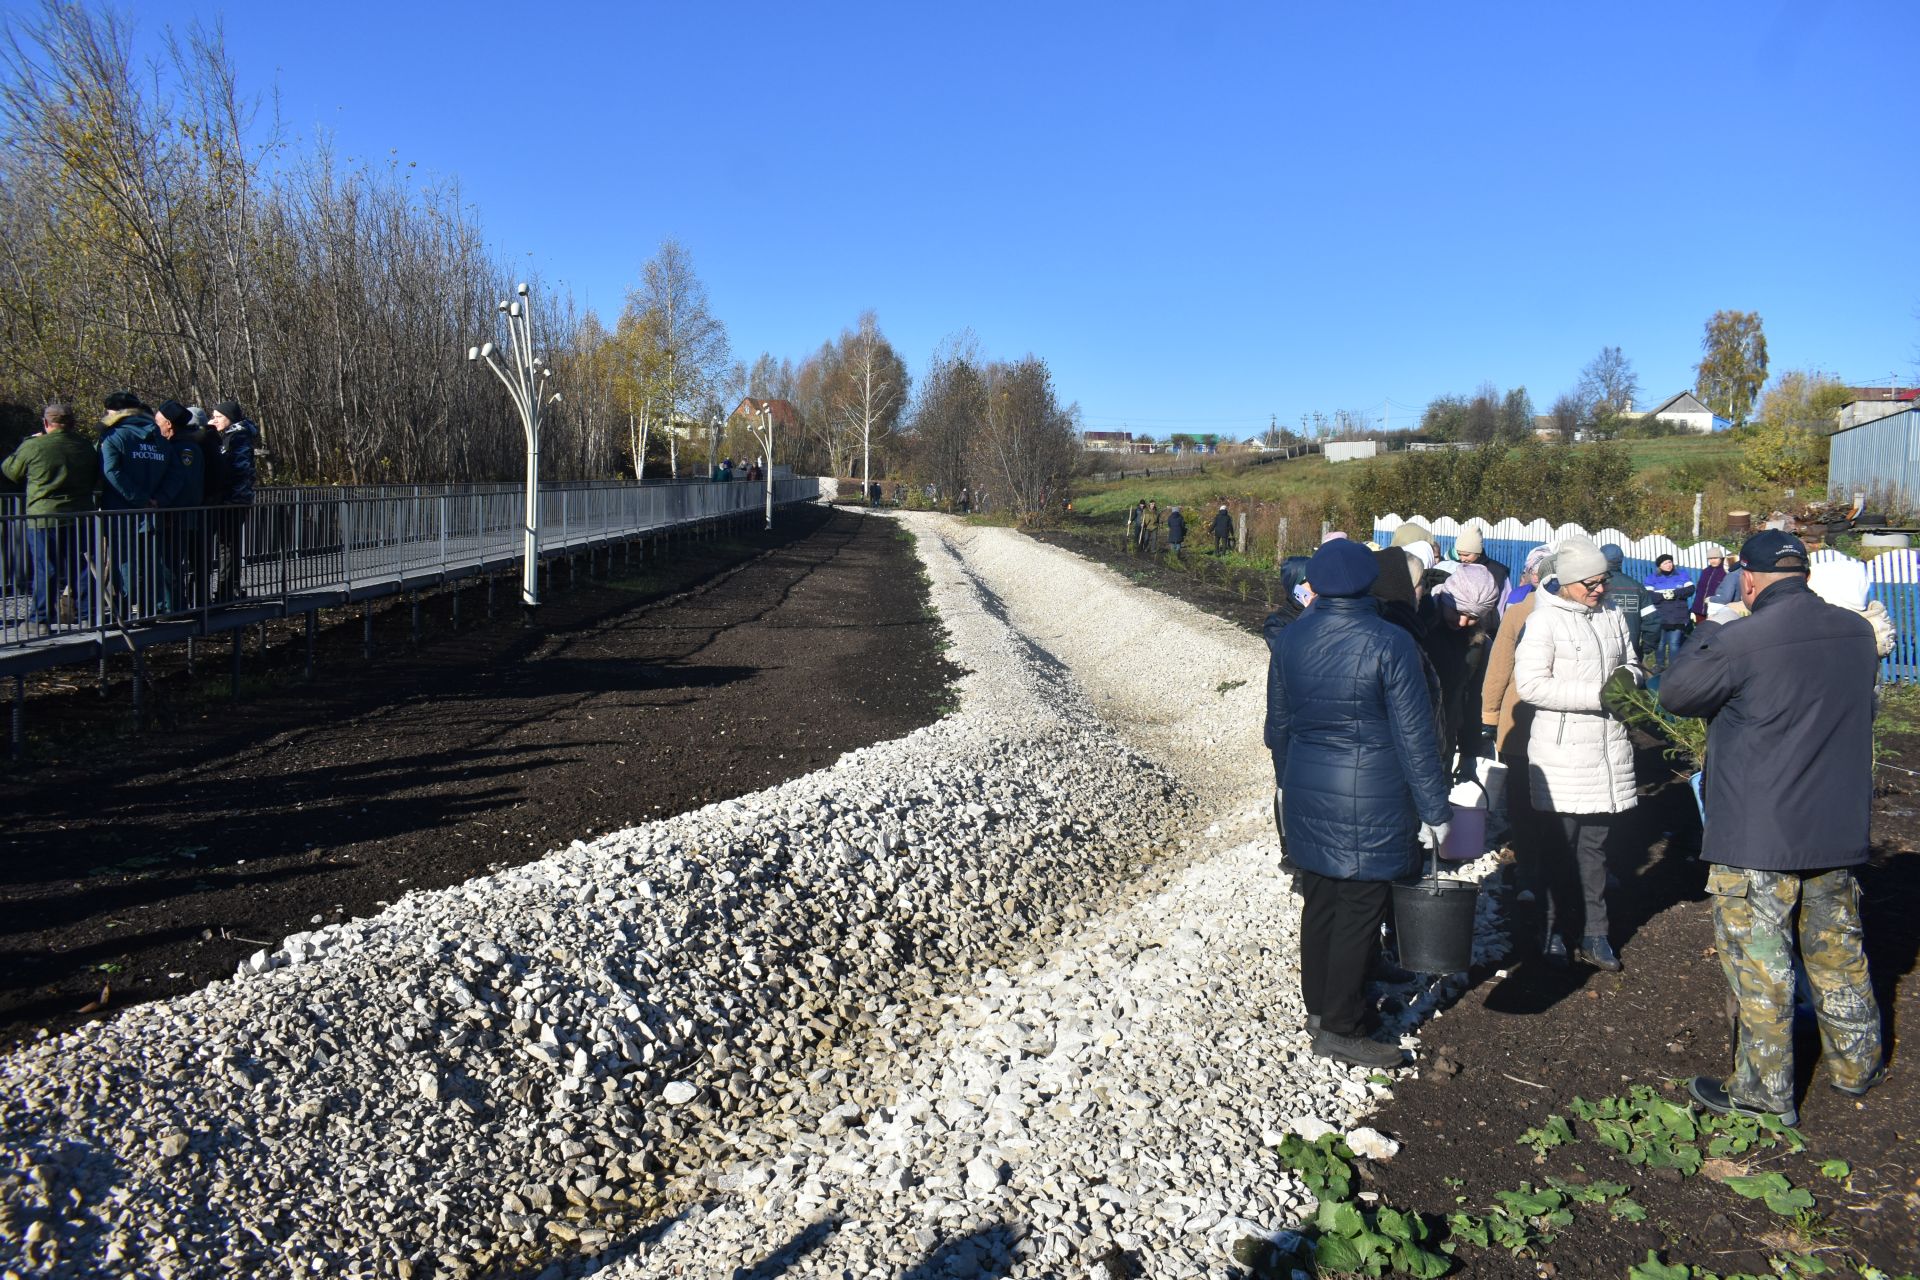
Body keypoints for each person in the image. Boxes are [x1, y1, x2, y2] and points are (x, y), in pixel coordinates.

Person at [1659, 531, 1884, 1126]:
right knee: (1837, 952)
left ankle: (1764, 1091)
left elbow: (1676, 694)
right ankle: (1856, 1066)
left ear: (1748, 578)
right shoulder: (1857, 634)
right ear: (1805, 573)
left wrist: (1713, 628)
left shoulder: (1740, 640)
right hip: (1835, 828)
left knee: (1761, 963)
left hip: (1760, 834)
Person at [1267, 538, 1452, 1068]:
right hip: (1373, 795)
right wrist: (1436, 810)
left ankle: (1320, 1009)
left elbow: (1277, 728)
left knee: (1321, 900)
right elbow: (1415, 738)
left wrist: (1291, 781)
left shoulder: (1292, 639)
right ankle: (1344, 1027)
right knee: (1360, 910)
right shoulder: (1389, 642)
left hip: (1306, 786)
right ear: (1369, 583)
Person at [1513, 538, 1642, 971]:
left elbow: (1634, 663)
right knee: (1556, 848)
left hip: (1607, 750)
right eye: (1591, 582)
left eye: (1602, 580)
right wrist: (1598, 696)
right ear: (1567, 583)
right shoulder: (1543, 622)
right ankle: (1550, 932)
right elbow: (1530, 685)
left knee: (1596, 850)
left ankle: (1595, 934)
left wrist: (1629, 681)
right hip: (1563, 753)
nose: (1600, 589)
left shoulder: (1613, 617)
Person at [1480, 550, 1553, 911]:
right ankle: (1550, 870)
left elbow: (1499, 670)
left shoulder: (1520, 612)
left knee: (1523, 802)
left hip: (1520, 722)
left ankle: (1528, 873)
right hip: (1553, 729)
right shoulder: (1593, 616)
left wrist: (1490, 717)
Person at [1, 403, 99, 632]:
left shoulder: (35, 446)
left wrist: (26, 442)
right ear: (73, 424)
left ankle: (40, 619)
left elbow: (10, 470)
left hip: (44, 517)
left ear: (45, 423)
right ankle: (88, 616)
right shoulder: (85, 446)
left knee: (47, 568)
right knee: (82, 567)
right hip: (79, 514)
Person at [1425, 561, 1501, 782]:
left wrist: (1469, 752)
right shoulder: (1419, 623)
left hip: (1444, 742)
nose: (1462, 621)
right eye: (1457, 611)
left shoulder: (1476, 644)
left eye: (1474, 616)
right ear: (1446, 598)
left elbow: (1470, 699)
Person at [98, 395, 168, 617]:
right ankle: (151, 609)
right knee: (151, 561)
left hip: (121, 510)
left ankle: (126, 611)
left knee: (124, 562)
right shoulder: (159, 439)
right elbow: (175, 474)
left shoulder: (112, 437)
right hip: (153, 510)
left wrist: (138, 498)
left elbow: (110, 472)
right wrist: (159, 499)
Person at [152, 400, 204, 613]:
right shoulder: (188, 446)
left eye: (158, 422)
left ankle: (172, 605)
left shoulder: (182, 449)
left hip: (177, 515)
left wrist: (168, 506)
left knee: (169, 563)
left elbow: (184, 482)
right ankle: (175, 603)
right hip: (183, 514)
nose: (156, 426)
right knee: (173, 562)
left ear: (170, 425)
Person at [207, 400, 258, 602]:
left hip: (233, 502)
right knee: (229, 545)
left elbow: (240, 470)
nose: (214, 420)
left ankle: (226, 591)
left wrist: (231, 498)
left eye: (218, 417)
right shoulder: (233, 436)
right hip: (236, 500)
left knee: (227, 546)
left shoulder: (237, 437)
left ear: (229, 418)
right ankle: (231, 588)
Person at [1644, 553, 1696, 670]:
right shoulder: (1652, 578)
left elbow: (1690, 590)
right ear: (1659, 566)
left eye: (1670, 562)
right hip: (1660, 616)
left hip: (1678, 616)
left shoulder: (1682, 575)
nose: (1668, 565)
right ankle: (1659, 666)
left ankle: (1674, 668)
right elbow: (1649, 595)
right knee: (1660, 644)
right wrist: (1663, 595)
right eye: (1665, 563)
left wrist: (1675, 593)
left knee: (1674, 644)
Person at [1599, 544, 1650, 658]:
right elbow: (1653, 621)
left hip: (1602, 652)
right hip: (1632, 650)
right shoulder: (1637, 587)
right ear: (1621, 561)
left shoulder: (1595, 587)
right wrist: (1645, 649)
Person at [1454, 528, 1510, 608]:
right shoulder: (1455, 566)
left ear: (1478, 552)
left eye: (1466, 555)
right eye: (1459, 554)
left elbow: (1503, 603)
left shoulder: (1498, 571)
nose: (1462, 559)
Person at [1692, 552, 1727, 624]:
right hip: (1699, 609)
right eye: (1710, 558)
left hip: (1715, 610)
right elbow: (1699, 589)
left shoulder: (1725, 572)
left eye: (1715, 558)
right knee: (1700, 632)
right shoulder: (1705, 571)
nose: (1713, 560)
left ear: (1721, 558)